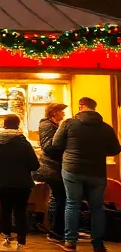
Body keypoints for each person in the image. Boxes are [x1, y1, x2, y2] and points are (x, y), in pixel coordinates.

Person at [51, 95, 121, 252]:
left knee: (72, 204)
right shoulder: (106, 127)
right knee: (97, 208)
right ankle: (98, 245)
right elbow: (116, 149)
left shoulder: (68, 123)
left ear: (81, 106)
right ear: (94, 108)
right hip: (97, 171)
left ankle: (70, 243)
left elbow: (56, 144)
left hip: (72, 169)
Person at [0, 113, 39, 250]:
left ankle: (6, 237)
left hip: (2, 181)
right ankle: (21, 241)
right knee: (20, 210)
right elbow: (35, 165)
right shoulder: (24, 143)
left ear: (4, 124)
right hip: (22, 183)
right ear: (18, 125)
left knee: (5, 208)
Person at [34, 102, 68, 244]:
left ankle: (55, 230)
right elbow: (48, 147)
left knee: (58, 198)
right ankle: (55, 231)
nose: (64, 113)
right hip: (52, 168)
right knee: (61, 198)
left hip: (54, 167)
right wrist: (64, 150)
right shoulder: (47, 125)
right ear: (54, 112)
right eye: (61, 111)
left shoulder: (52, 125)